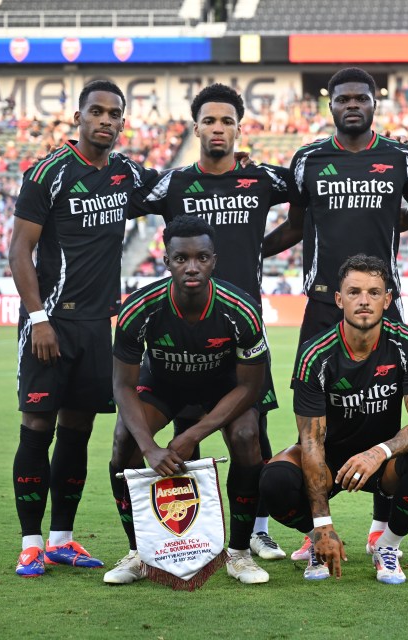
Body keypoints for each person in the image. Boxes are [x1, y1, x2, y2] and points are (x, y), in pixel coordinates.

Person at [262, 67, 408, 558]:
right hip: (320, 304)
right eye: (343, 98)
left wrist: (395, 224)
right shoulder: (309, 159)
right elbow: (295, 226)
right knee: (314, 418)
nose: (352, 104)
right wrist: (252, 251)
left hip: (385, 304)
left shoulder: (402, 156)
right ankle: (317, 523)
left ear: (375, 101)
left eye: (361, 97)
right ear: (329, 104)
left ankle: (381, 528)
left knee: (387, 409)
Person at [128, 82, 296, 562]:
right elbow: (129, 196)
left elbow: (305, 197)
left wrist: (257, 248)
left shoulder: (261, 179)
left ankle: (256, 531)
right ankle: (192, 535)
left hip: (244, 329)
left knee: (251, 434)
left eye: (227, 121)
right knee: (191, 436)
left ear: (239, 129)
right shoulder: (176, 182)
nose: (218, 128)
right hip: (186, 335)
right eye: (210, 120)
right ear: (196, 126)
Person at [9, 80, 156, 578]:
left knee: (78, 431)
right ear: (79, 116)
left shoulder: (126, 173)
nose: (107, 120)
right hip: (52, 322)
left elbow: (172, 189)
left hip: (98, 327)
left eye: (116, 113)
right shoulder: (50, 172)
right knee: (37, 429)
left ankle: (62, 540)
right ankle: (30, 543)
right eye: (98, 111)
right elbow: (19, 251)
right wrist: (38, 318)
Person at [103, 215, 271, 585]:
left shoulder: (240, 309)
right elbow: (122, 386)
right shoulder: (139, 308)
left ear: (214, 259)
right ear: (166, 261)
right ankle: (138, 553)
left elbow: (250, 387)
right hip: (164, 385)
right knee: (124, 439)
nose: (192, 267)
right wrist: (149, 448)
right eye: (181, 258)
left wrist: (194, 434)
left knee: (246, 436)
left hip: (222, 387)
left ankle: (240, 553)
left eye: (202, 257)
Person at [258, 255, 408, 584]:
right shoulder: (316, 354)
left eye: (374, 292)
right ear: (339, 299)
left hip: (384, 462)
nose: (364, 301)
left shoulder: (407, 344)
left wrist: (379, 452)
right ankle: (317, 541)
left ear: (388, 299)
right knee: (274, 482)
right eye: (354, 292)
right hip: (328, 462)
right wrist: (322, 524)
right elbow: (311, 440)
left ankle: (386, 546)